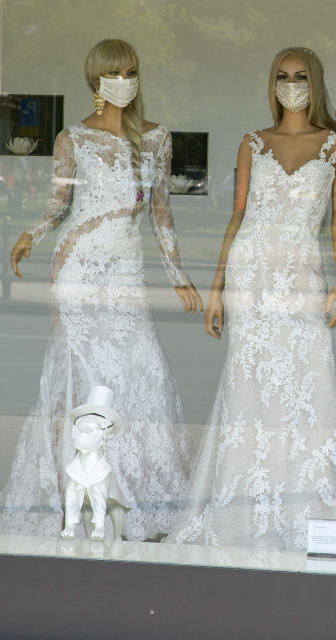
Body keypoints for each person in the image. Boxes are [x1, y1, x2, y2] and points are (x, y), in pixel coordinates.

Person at [166, 47, 336, 550]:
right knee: (250, 381)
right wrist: (217, 288)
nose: (291, 84)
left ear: (316, 81)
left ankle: (308, 502)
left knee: (310, 379)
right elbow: (237, 216)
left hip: (302, 275)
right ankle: (243, 504)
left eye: (301, 76)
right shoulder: (252, 143)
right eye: (282, 76)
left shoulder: (335, 145)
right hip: (252, 274)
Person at [1, 39, 203, 541]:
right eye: (114, 71)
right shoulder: (73, 138)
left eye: (131, 70)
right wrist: (31, 234)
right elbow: (59, 204)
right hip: (78, 271)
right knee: (79, 382)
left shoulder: (156, 139)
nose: (124, 79)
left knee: (140, 373)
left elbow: (162, 214)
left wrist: (179, 275)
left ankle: (132, 497)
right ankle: (79, 501)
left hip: (126, 273)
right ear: (96, 79)